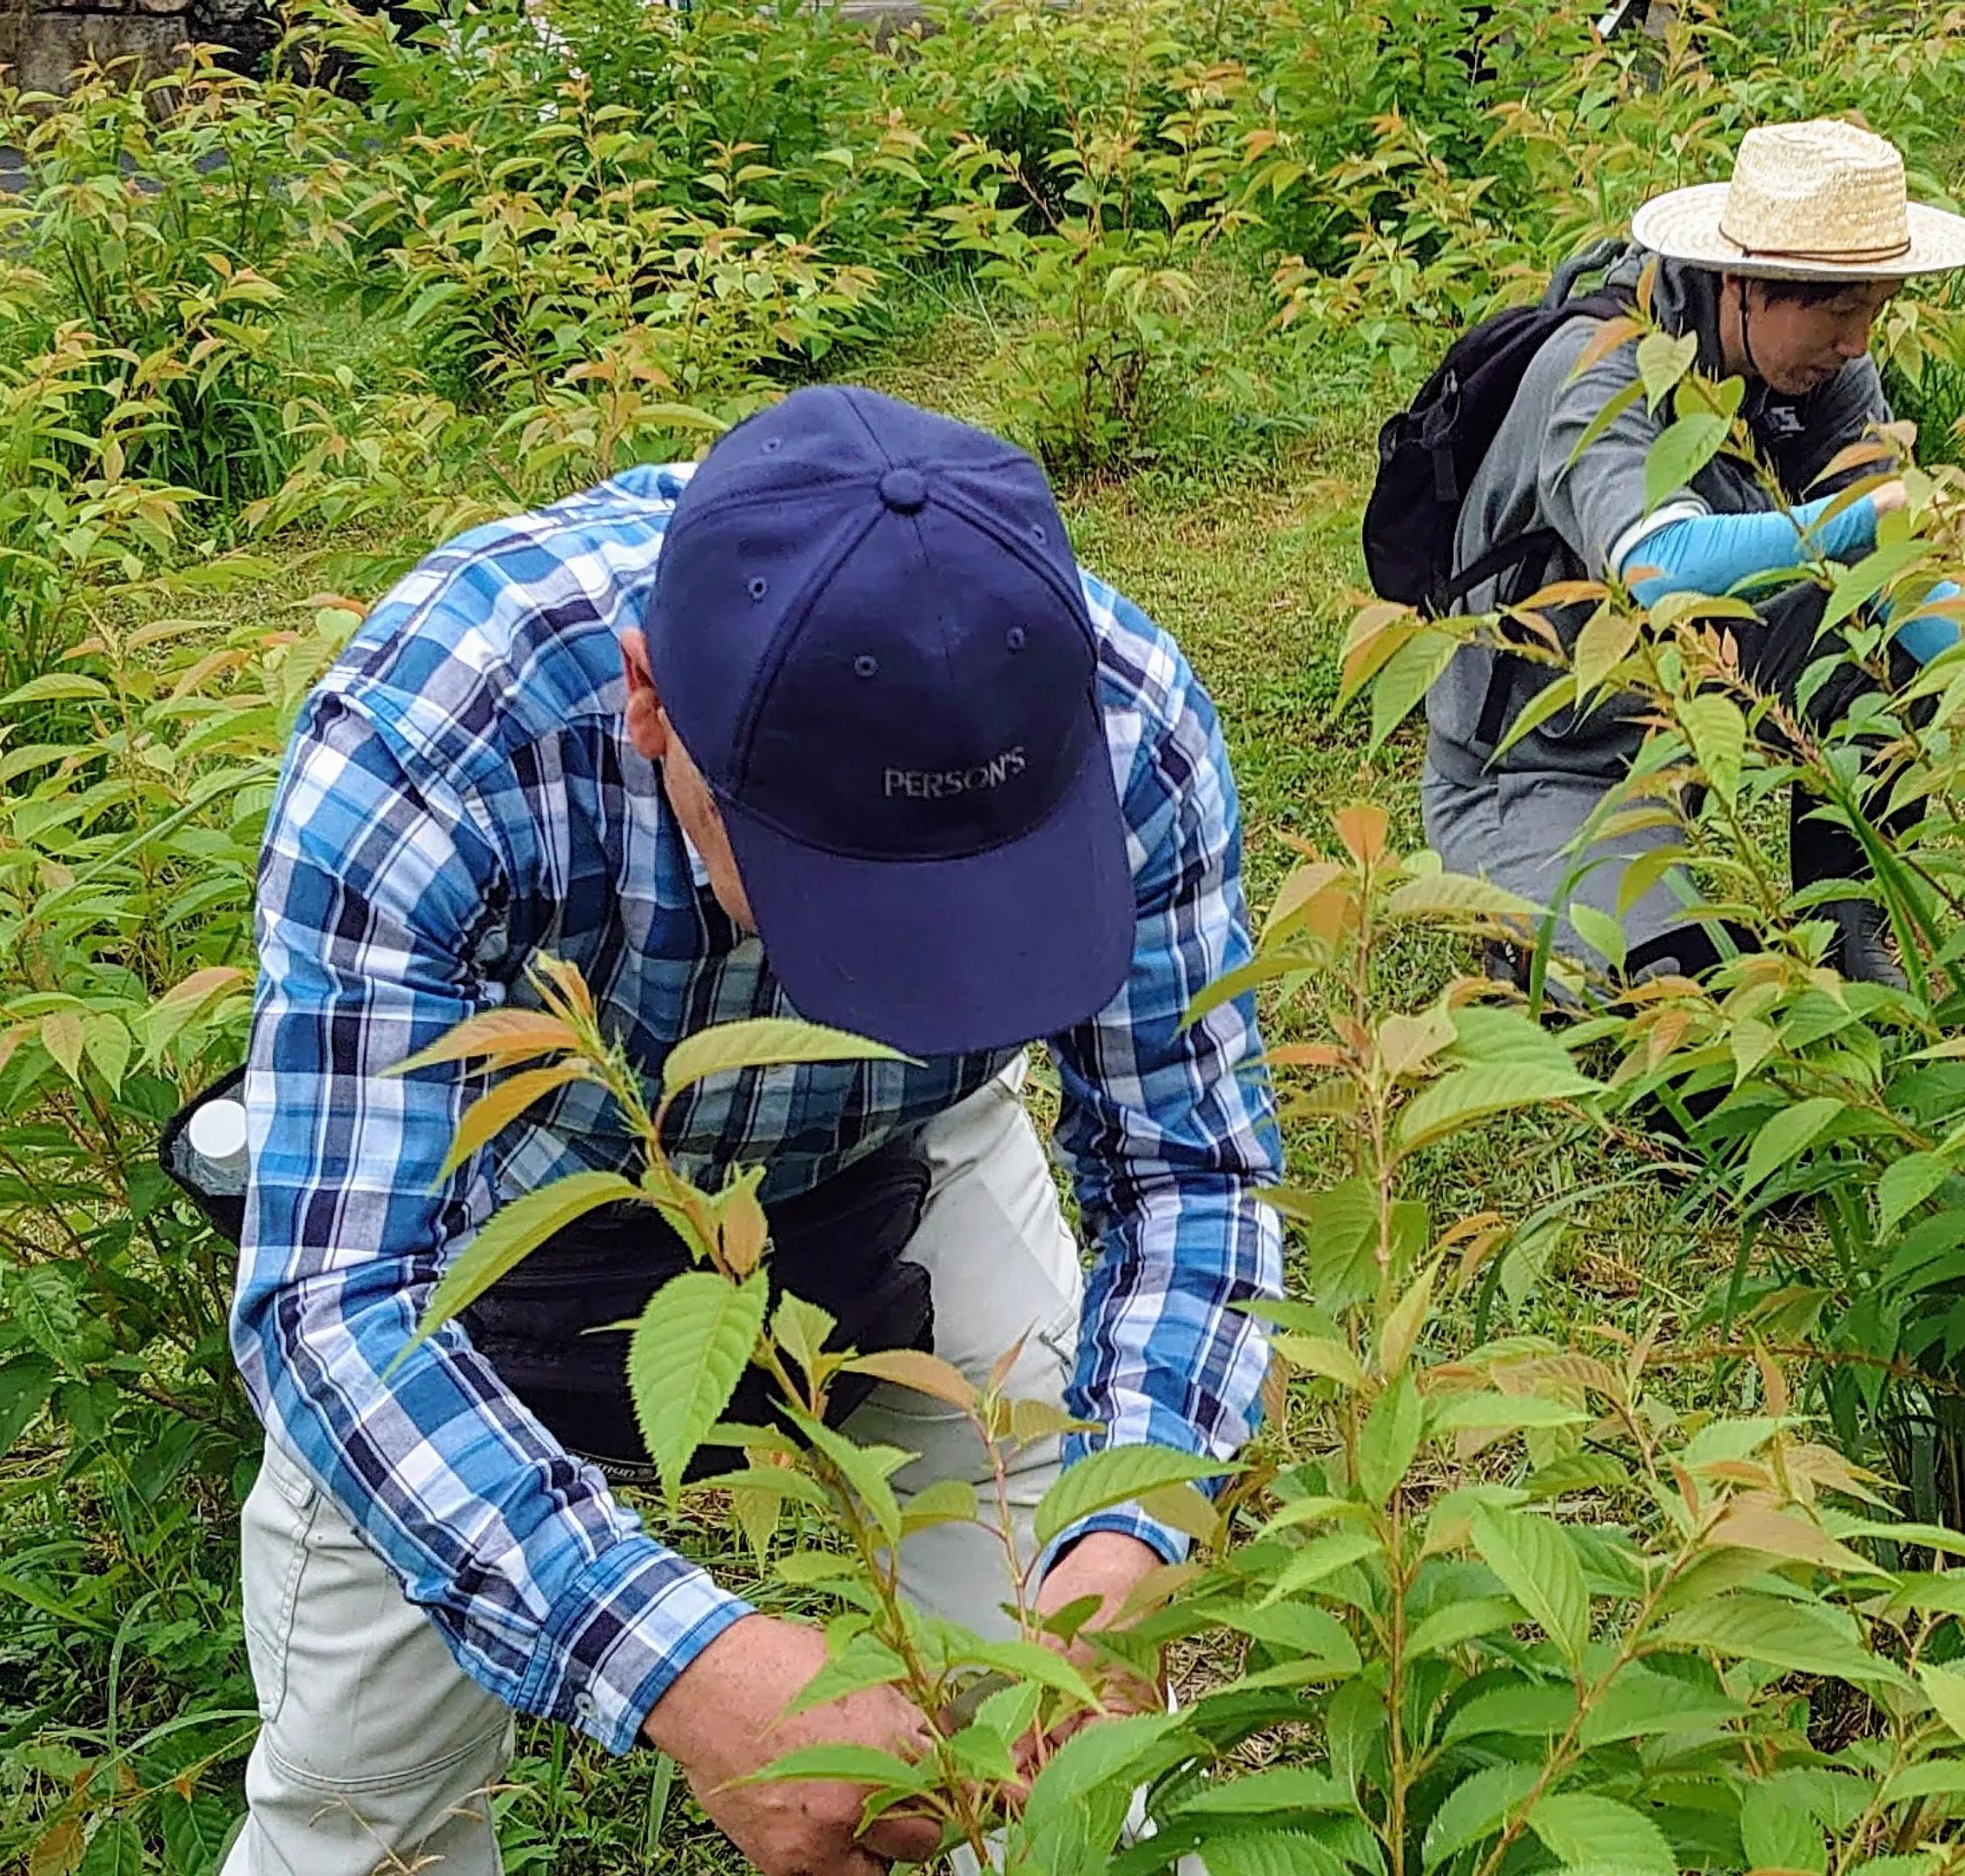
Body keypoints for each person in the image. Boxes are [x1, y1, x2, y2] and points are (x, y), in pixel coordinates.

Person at [221, 385, 1282, 1876]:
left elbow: (1192, 1175)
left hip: (900, 1165)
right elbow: (333, 1299)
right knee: (361, 1820)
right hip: (491, 1222)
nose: (902, 964)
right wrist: (676, 1662)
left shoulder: (1117, 722)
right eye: (827, 875)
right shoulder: (442, 735)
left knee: (1073, 1789)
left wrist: (1132, 1535)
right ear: (651, 700)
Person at [1422, 117, 1965, 990]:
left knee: (1879, 642)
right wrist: (1853, 514)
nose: (1858, 343)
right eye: (1838, 309)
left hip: (1677, 722)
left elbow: (1899, 570)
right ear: (1741, 282)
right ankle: (1520, 927)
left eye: (1874, 308)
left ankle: (1846, 922)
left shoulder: (1826, 371)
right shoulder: (1600, 365)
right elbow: (1662, 571)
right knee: (1697, 1009)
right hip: (1539, 763)